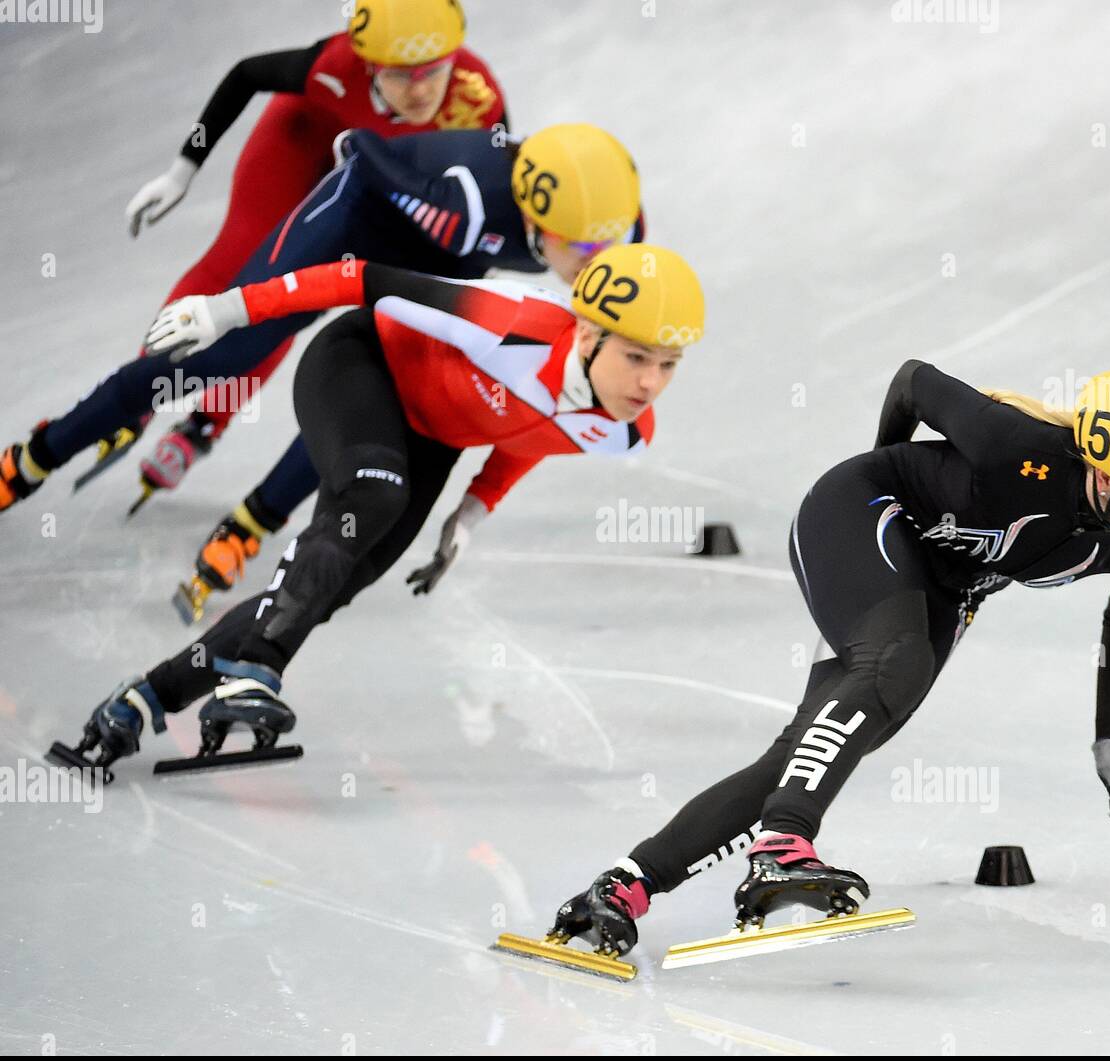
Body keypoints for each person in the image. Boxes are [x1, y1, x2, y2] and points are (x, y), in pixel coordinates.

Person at [534, 361, 1110, 959]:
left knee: (817, 748)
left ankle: (622, 885)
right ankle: (781, 846)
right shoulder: (1017, 449)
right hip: (862, 512)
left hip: (943, 586)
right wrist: (881, 473)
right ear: (1106, 472)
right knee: (894, 667)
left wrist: (1109, 743)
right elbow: (913, 381)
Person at [54, 242, 706, 772]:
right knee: (374, 495)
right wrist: (227, 311)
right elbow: (359, 276)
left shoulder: (623, 427)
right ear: (588, 333)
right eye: (637, 357)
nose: (651, 383)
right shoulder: (507, 320)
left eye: (669, 364)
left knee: (330, 585)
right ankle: (258, 668)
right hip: (361, 362)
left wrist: (470, 514)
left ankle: (145, 699)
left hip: (433, 439)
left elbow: (533, 436)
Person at [0, 124, 641, 524]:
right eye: (584, 249)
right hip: (352, 223)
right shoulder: (464, 201)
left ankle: (254, 523)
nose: (598, 262)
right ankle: (36, 455)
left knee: (380, 390)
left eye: (608, 244)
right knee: (222, 358)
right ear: (536, 220)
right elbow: (359, 148)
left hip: (430, 260)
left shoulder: (608, 227)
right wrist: (229, 304)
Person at [6, 0, 506, 502]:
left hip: (372, 182)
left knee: (287, 300)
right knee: (235, 263)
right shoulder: (333, 67)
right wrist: (183, 169)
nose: (419, 90)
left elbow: (494, 200)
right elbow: (246, 75)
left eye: (434, 70)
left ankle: (207, 421)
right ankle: (143, 394)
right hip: (300, 142)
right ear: (370, 64)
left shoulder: (478, 101)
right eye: (401, 75)